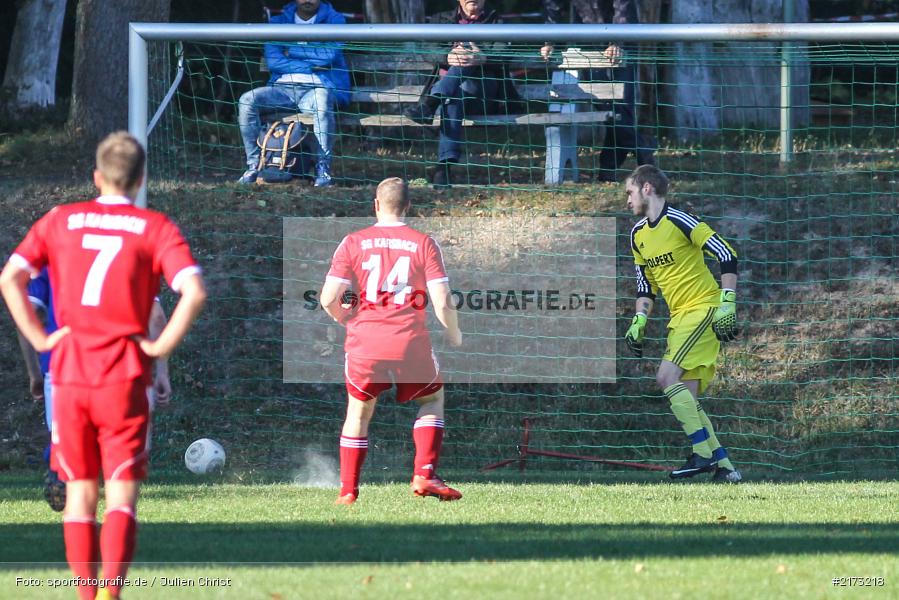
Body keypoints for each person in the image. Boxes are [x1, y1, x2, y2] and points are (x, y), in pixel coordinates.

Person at [0, 131, 206, 600]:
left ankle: (85, 595)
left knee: (79, 493)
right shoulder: (154, 226)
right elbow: (193, 292)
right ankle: (111, 594)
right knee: (121, 492)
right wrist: (160, 349)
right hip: (125, 377)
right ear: (140, 179)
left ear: (97, 176)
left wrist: (38, 339)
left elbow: (10, 278)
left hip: (69, 375)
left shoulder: (59, 220)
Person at [319, 177, 463, 504]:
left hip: (364, 342)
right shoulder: (424, 243)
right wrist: (454, 333)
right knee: (432, 399)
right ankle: (424, 474)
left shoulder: (352, 242)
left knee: (358, 411)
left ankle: (348, 491)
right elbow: (442, 301)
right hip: (408, 341)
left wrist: (347, 320)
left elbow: (329, 298)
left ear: (375, 205)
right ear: (408, 206)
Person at [16, 269, 173, 512]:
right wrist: (162, 372)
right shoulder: (128, 245)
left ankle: (60, 465)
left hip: (62, 367)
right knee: (116, 456)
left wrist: (34, 372)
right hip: (117, 368)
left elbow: (29, 312)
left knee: (69, 446)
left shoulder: (50, 252)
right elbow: (156, 318)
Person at [622, 165, 741, 483]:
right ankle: (724, 467)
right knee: (686, 394)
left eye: (629, 192)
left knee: (665, 376)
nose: (627, 200)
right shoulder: (637, 235)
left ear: (647, 188)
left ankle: (702, 455)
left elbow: (726, 254)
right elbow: (645, 286)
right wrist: (639, 320)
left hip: (703, 309)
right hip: (679, 319)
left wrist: (727, 302)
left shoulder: (680, 220)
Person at [403, 0, 522, 188]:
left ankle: (431, 103)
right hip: (453, 96)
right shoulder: (440, 20)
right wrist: (447, 56)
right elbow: (426, 48)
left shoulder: (496, 21)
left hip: (483, 94)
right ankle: (444, 169)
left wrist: (482, 57)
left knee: (466, 58)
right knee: (453, 97)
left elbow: (505, 52)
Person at [237, 0, 351, 187]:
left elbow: (328, 56)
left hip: (317, 88)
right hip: (282, 89)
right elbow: (274, 62)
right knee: (247, 100)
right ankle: (254, 165)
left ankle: (323, 169)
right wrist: (310, 59)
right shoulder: (278, 22)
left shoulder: (335, 20)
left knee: (322, 102)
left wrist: (291, 51)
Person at [540, 0, 655, 181]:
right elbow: (553, 6)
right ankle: (641, 147)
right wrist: (549, 40)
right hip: (588, 37)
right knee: (603, 102)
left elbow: (622, 8)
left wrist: (617, 41)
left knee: (622, 104)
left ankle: (608, 168)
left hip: (623, 36)